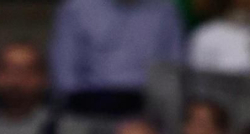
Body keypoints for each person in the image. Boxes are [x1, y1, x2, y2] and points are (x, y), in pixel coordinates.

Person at [48, 0, 183, 112]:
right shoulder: (76, 9)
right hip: (91, 103)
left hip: (148, 107)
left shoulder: (165, 10)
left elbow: (173, 68)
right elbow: (64, 74)